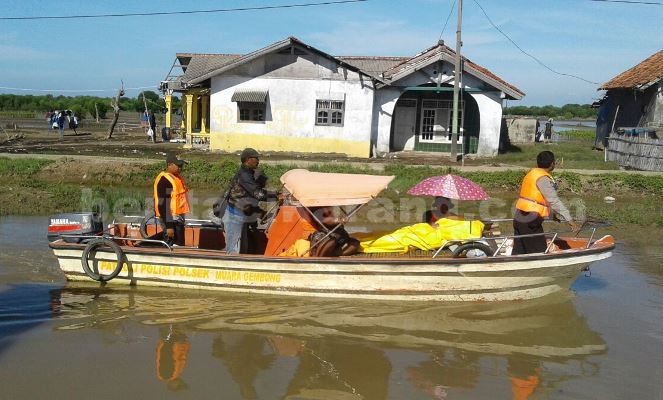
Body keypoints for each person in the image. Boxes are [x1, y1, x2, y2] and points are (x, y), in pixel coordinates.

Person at [513, 151, 580, 255]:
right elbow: (554, 201)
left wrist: (551, 215)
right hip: (530, 221)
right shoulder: (543, 178)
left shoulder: (531, 174)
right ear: (552, 164)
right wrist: (570, 220)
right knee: (539, 252)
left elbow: (537, 199)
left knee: (519, 252)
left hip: (519, 217)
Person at [223, 148, 279, 254]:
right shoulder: (245, 175)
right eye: (256, 158)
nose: (258, 161)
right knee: (234, 249)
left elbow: (251, 200)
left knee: (241, 247)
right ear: (248, 160)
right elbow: (259, 194)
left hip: (240, 213)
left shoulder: (249, 173)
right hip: (235, 214)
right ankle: (232, 267)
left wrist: (261, 212)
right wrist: (276, 196)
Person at [153, 154, 190, 246]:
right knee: (173, 246)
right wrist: (169, 226)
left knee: (179, 245)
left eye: (182, 165)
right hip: (170, 220)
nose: (181, 168)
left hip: (177, 219)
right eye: (179, 165)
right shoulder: (165, 181)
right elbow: (163, 204)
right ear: (169, 165)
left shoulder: (177, 178)